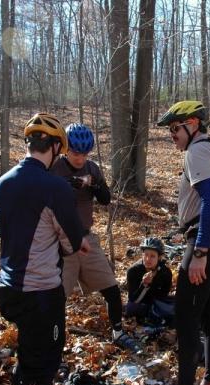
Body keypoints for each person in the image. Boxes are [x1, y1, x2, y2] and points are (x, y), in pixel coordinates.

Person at [0, 113, 91, 385]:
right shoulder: (55, 187)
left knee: (28, 356)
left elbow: (5, 232)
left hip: (8, 288)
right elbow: (72, 243)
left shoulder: (3, 183)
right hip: (41, 293)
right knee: (43, 365)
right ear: (56, 148)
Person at [156, 101, 210, 385]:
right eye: (170, 130)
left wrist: (200, 252)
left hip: (208, 242)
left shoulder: (197, 152)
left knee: (186, 317)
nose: (172, 134)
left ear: (192, 124)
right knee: (209, 312)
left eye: (175, 128)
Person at [50, 123, 141, 353]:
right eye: (75, 153)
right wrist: (67, 186)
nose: (80, 159)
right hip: (60, 243)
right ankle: (53, 344)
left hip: (87, 239)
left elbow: (105, 199)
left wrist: (95, 184)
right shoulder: (55, 168)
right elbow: (45, 198)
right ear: (65, 150)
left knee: (111, 287)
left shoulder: (92, 168)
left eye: (84, 153)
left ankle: (118, 331)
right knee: (56, 298)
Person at [125, 237, 173, 322]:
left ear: (159, 257)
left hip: (156, 302)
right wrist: (144, 285)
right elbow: (134, 299)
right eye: (146, 255)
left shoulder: (165, 272)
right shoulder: (133, 271)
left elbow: (164, 294)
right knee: (130, 307)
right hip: (140, 303)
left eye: (152, 256)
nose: (148, 259)